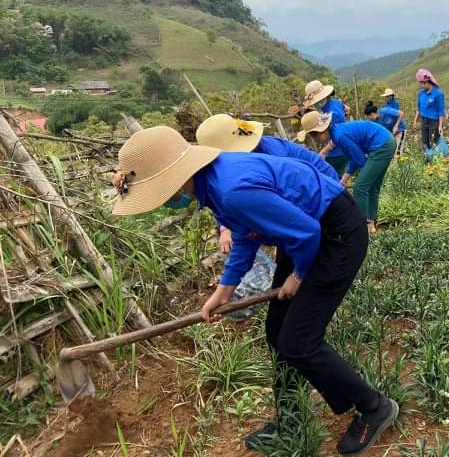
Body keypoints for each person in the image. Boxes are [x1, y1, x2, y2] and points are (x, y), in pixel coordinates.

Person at [111, 126, 398, 455]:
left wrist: (300, 275)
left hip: (334, 237)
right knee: (277, 334)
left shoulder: (231, 189)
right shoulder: (212, 183)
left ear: (172, 179)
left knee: (298, 342)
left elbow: (306, 234)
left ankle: (375, 408)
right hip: (308, 233)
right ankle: (291, 419)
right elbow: (246, 234)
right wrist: (223, 292)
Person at [196, 113, 337, 252]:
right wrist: (224, 227)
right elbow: (224, 198)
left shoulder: (270, 152)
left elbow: (296, 193)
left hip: (321, 195)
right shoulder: (232, 176)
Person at [299, 111, 396, 234]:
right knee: (371, 186)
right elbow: (354, 155)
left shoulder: (340, 136)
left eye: (313, 136)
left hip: (382, 146)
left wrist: (353, 175)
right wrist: (345, 177)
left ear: (320, 132)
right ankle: (371, 224)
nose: (315, 140)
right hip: (385, 141)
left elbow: (360, 159)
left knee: (360, 187)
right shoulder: (337, 132)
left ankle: (361, 228)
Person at [303, 80, 350, 177]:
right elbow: (347, 108)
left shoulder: (332, 113)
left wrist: (324, 152)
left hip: (337, 152)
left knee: (331, 176)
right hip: (340, 149)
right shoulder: (334, 102)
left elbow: (338, 136)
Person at [413, 69, 445, 153]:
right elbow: (419, 108)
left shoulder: (438, 93)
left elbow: (441, 111)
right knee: (425, 142)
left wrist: (440, 126)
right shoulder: (421, 93)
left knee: (434, 142)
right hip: (424, 120)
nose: (421, 86)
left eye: (422, 83)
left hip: (434, 122)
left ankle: (435, 160)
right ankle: (428, 159)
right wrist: (415, 121)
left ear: (427, 82)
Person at [381, 88, 407, 154]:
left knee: (398, 151)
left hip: (400, 129)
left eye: (388, 96)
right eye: (386, 96)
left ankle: (399, 164)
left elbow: (399, 114)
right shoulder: (387, 104)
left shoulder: (395, 103)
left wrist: (396, 126)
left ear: (391, 96)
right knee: (393, 149)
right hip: (393, 131)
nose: (386, 98)